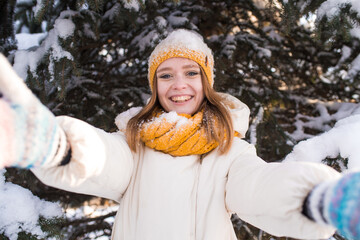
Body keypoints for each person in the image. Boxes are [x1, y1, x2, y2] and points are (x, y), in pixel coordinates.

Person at [0, 29, 359, 240]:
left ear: (206, 82)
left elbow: (259, 189)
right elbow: (101, 159)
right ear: (155, 86)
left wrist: (318, 196)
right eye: (166, 75)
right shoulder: (134, 145)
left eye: (191, 72)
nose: (179, 85)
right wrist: (54, 144)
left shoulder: (230, 151)